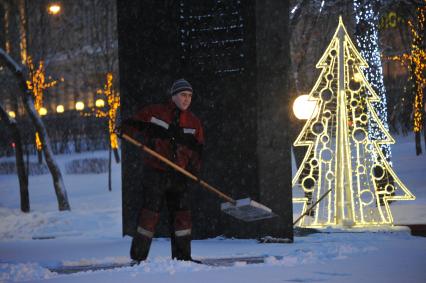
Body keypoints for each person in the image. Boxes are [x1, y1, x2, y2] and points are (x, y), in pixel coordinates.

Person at [121, 79, 204, 262]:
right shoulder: (155, 112)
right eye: (183, 95)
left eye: (190, 96)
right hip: (155, 172)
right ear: (173, 96)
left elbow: (198, 151)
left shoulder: (193, 122)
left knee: (182, 217)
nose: (186, 99)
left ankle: (183, 257)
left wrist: (195, 171)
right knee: (149, 216)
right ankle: (139, 257)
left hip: (180, 176)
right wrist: (123, 130)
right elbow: (132, 125)